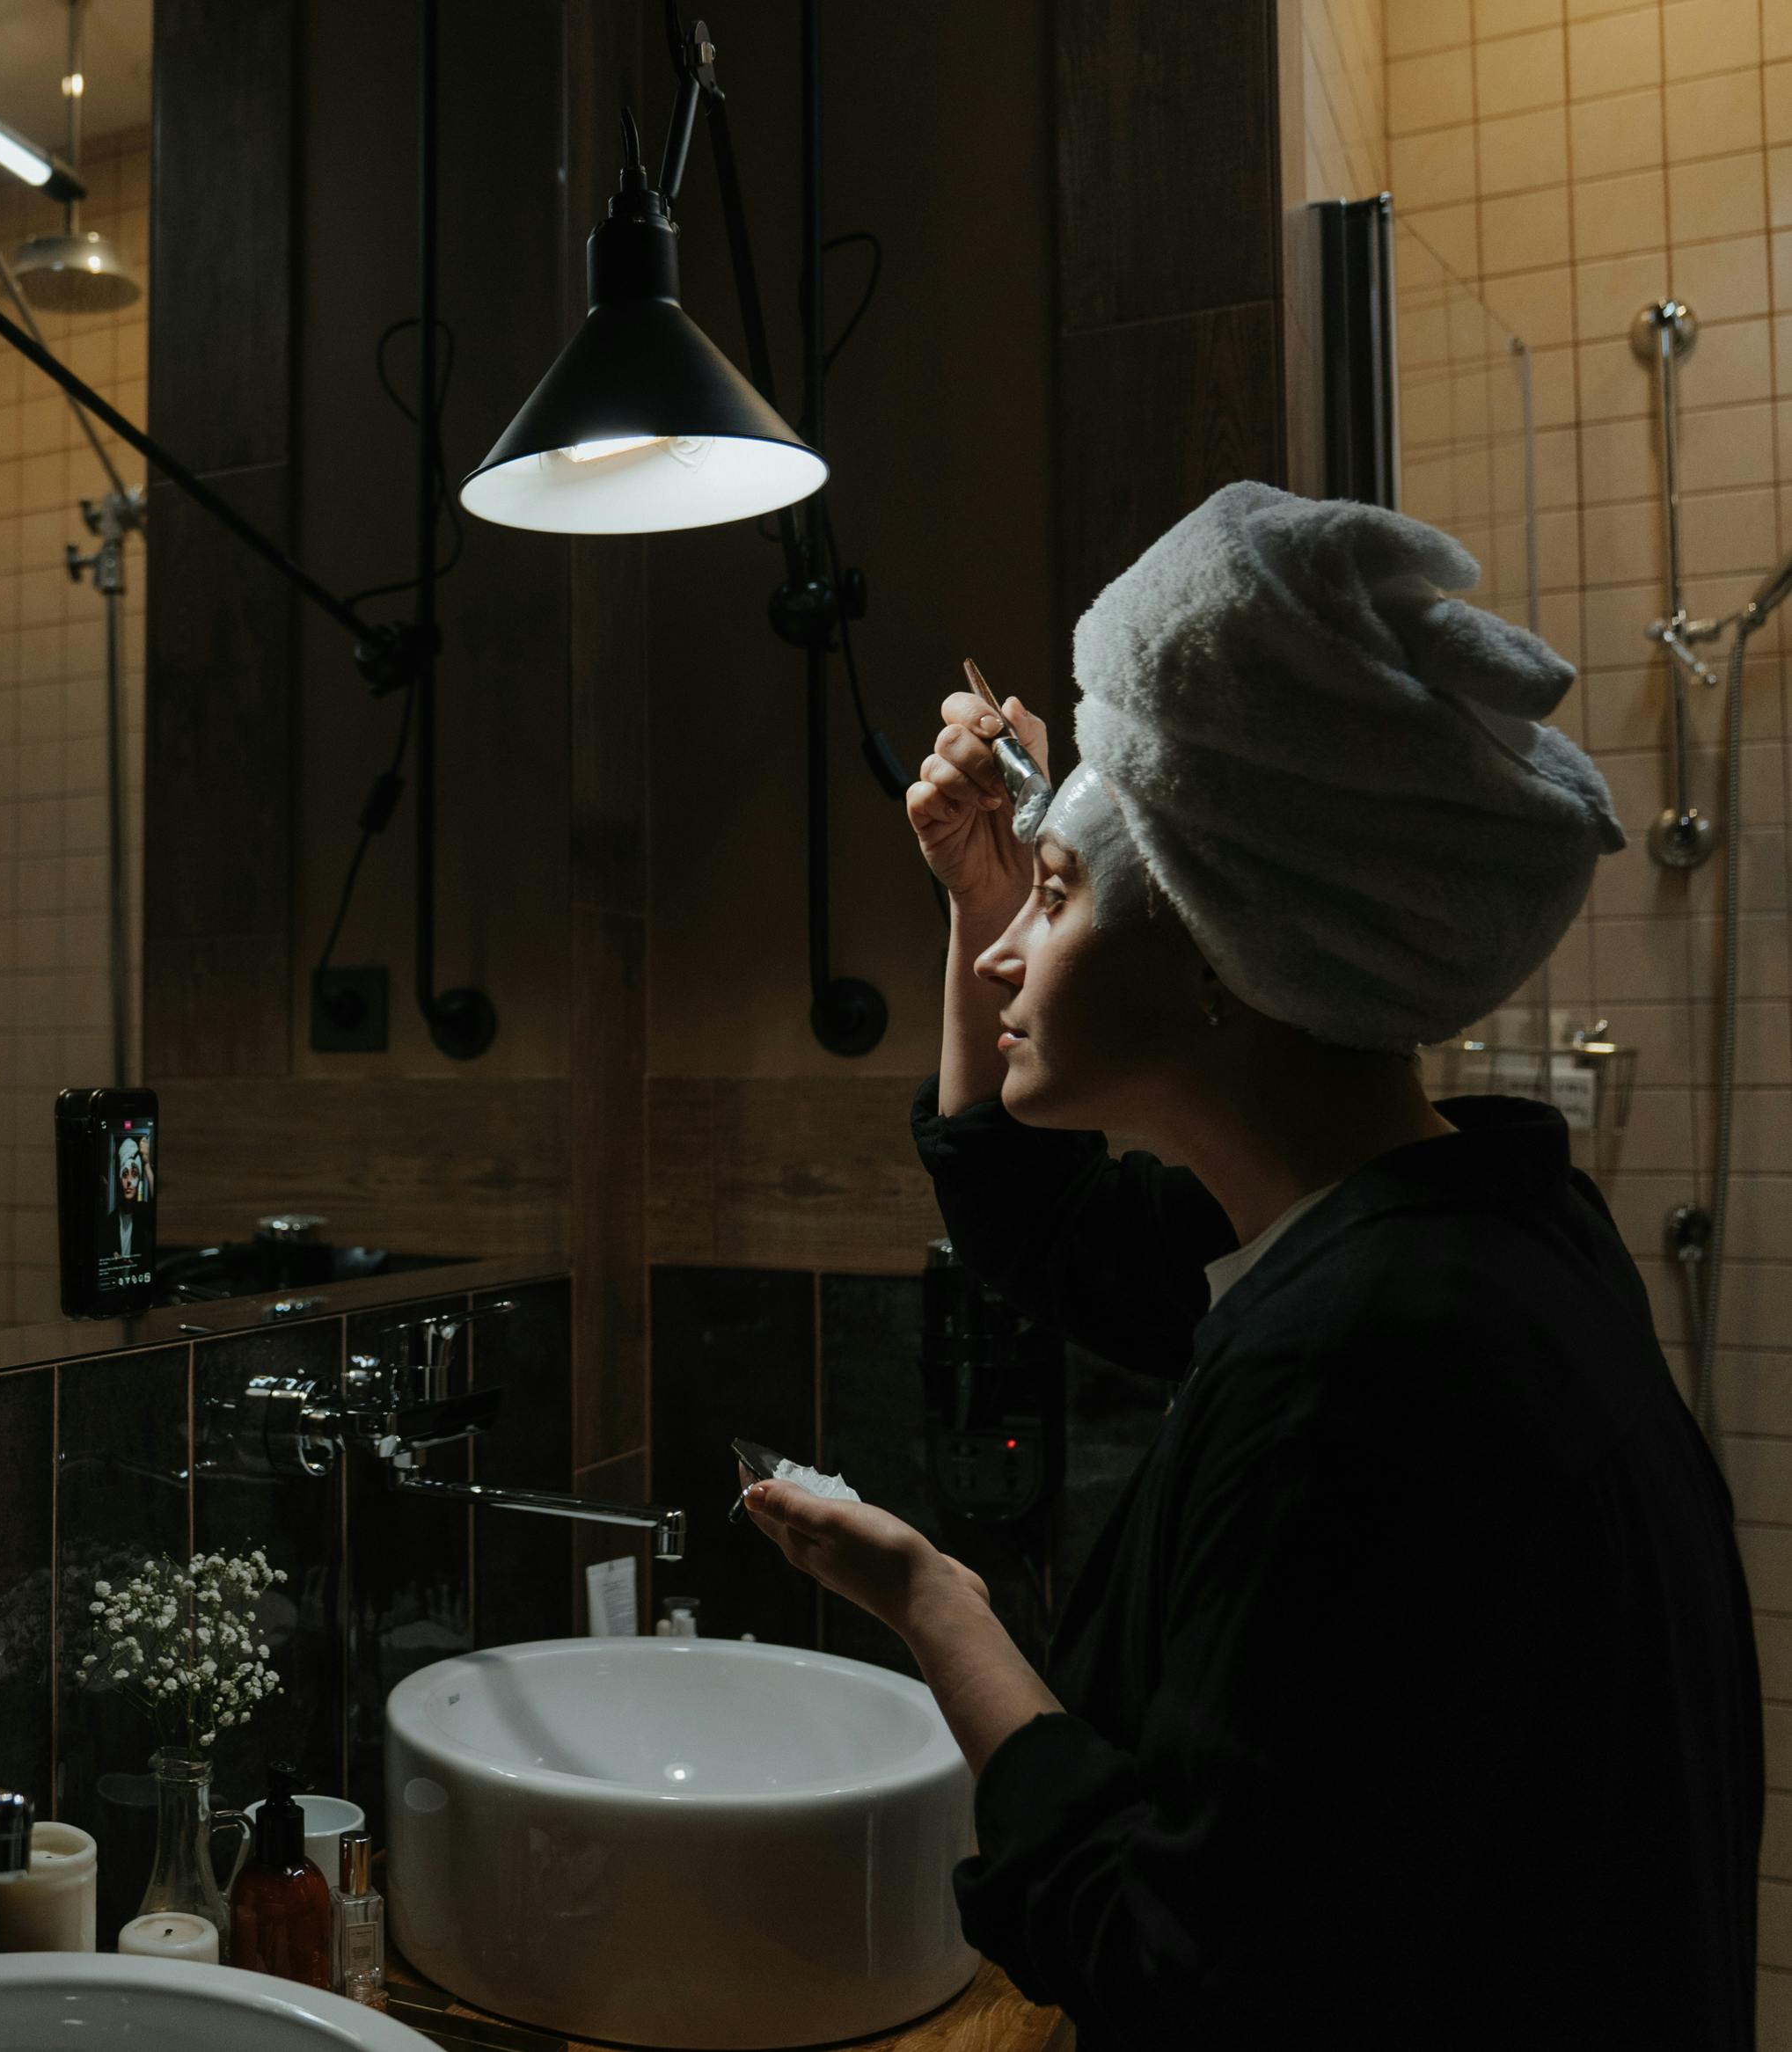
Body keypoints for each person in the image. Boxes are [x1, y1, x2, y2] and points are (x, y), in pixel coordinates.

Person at [734, 486, 1759, 2047]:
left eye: (1063, 900)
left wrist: (933, 1599)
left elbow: (1173, 1964)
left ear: (1220, 958)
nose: (1013, 952)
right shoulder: (1458, 1227)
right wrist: (990, 890)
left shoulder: (1359, 1376)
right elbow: (1043, 1229)